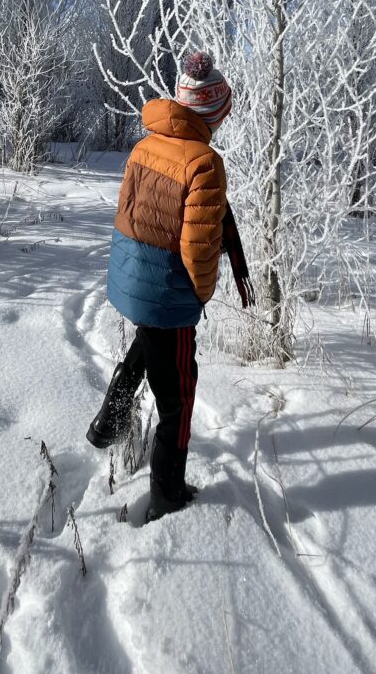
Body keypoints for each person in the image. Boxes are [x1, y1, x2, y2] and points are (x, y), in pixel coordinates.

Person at [85, 51, 234, 522]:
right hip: (168, 290)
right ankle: (167, 494)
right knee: (179, 396)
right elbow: (199, 250)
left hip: (132, 279)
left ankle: (108, 423)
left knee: (148, 346)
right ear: (210, 113)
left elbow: (126, 212)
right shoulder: (205, 163)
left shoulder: (145, 146)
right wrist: (200, 296)